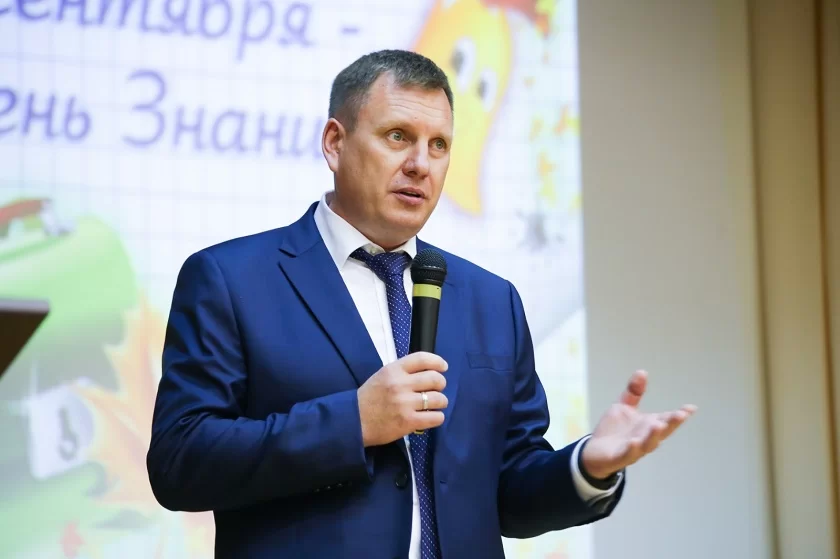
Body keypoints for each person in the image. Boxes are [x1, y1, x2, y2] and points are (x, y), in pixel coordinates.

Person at [147, 49, 696, 559]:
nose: (420, 164)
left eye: (439, 145)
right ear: (335, 143)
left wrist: (585, 467)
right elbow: (179, 462)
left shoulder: (491, 300)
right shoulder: (231, 279)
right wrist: (354, 421)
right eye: (398, 136)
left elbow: (507, 492)